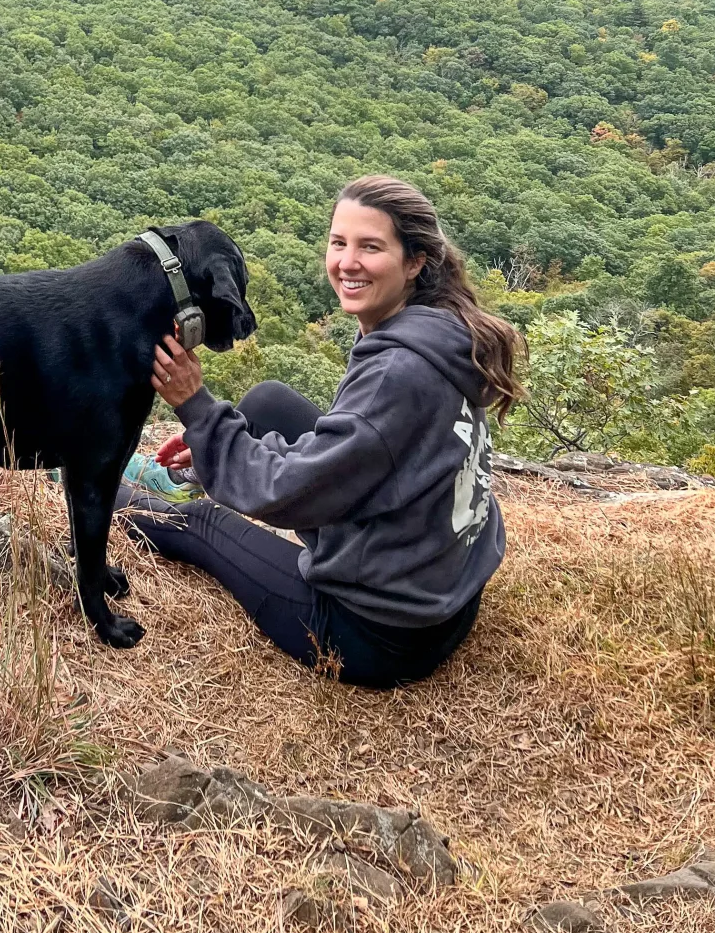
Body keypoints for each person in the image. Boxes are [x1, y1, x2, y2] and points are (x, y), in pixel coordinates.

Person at [121, 175, 523, 688]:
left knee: (201, 522)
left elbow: (286, 493)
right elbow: (359, 453)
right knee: (268, 400)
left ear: (416, 262)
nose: (346, 262)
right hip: (443, 584)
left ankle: (85, 483)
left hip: (382, 633)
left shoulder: (397, 374)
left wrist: (197, 409)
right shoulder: (441, 326)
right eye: (339, 243)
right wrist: (211, 450)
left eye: (370, 247)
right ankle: (196, 472)